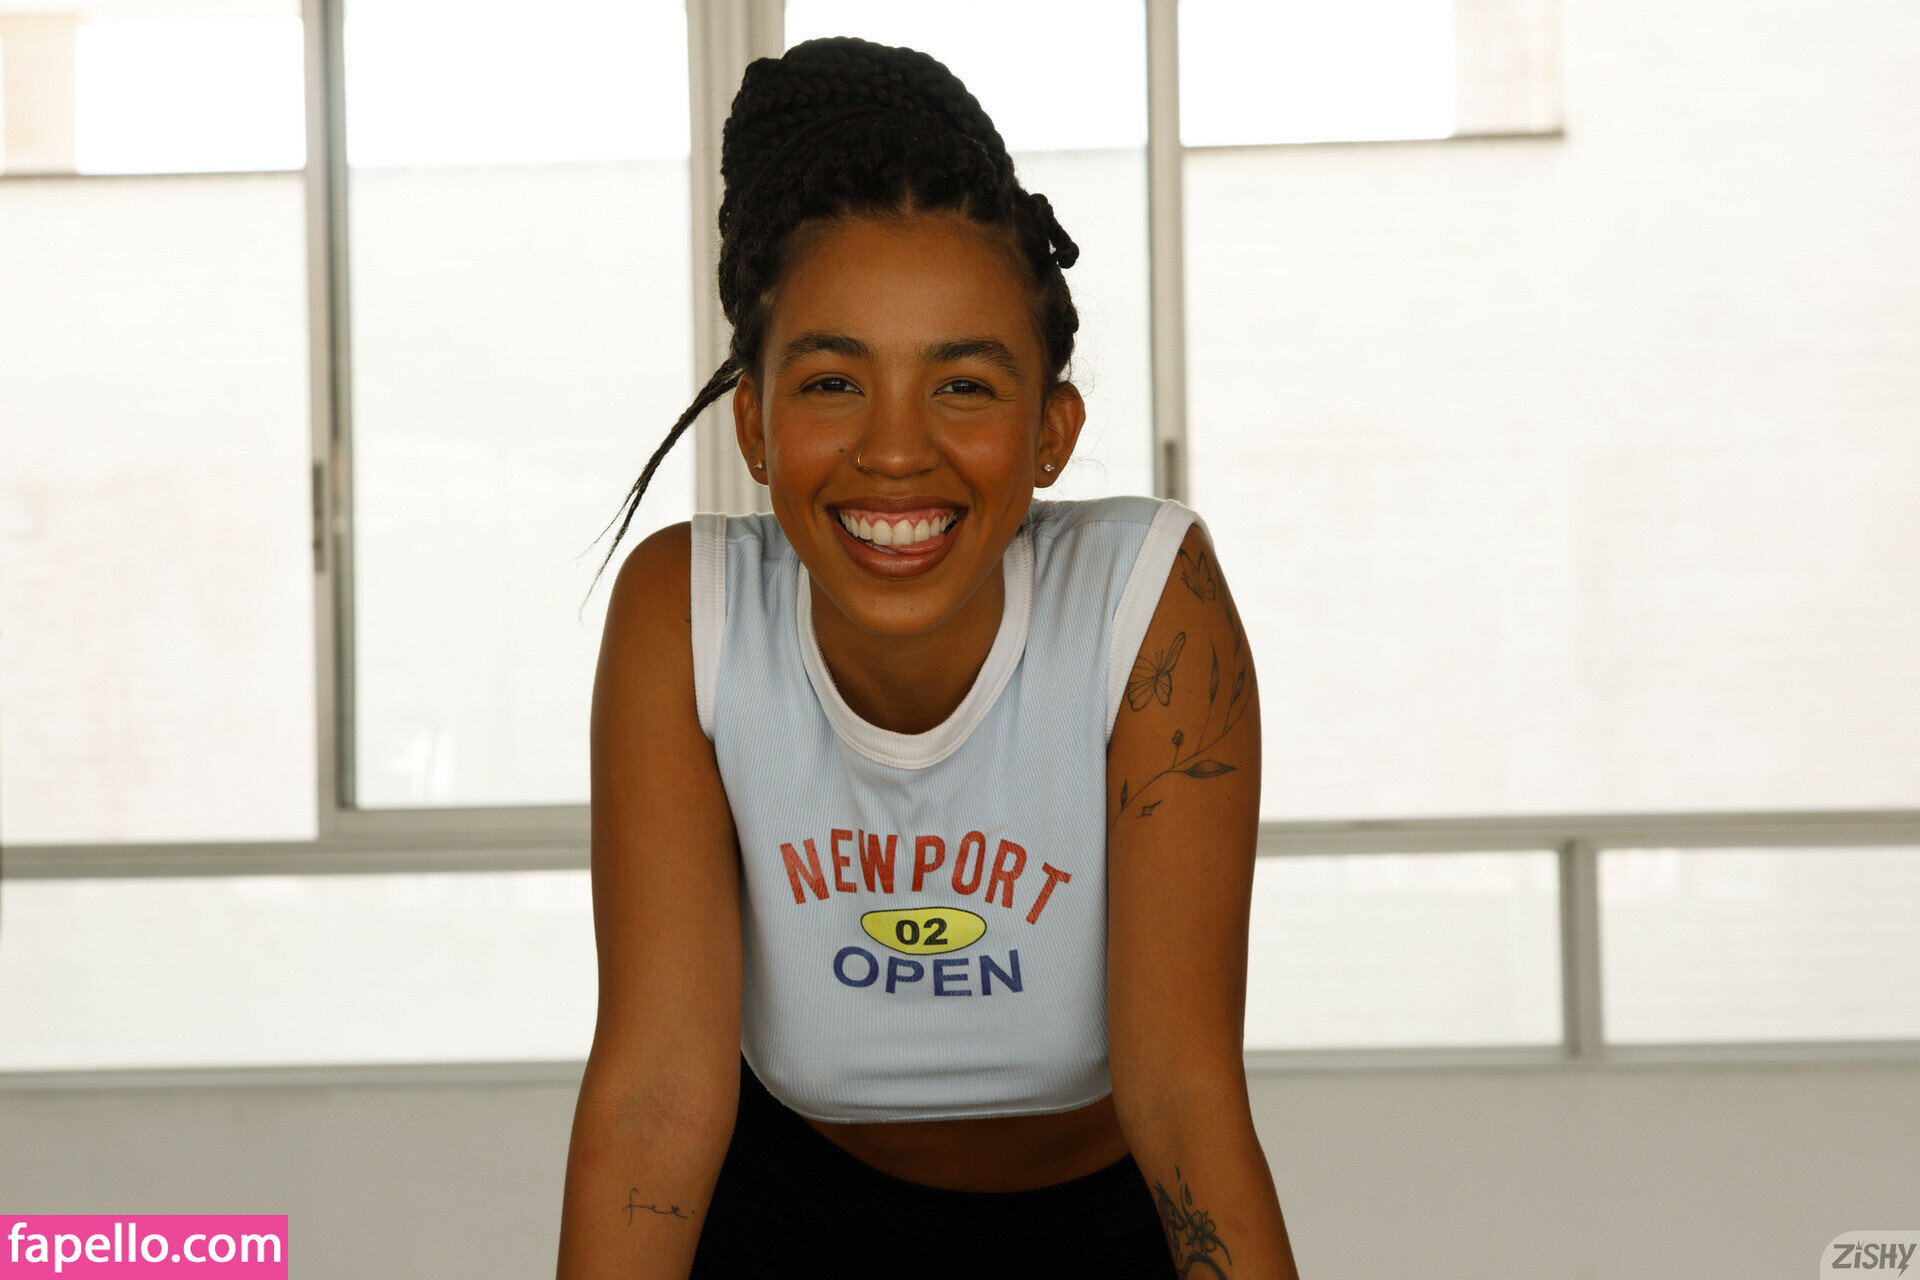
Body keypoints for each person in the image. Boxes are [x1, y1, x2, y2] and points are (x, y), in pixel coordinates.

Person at [555, 35, 1300, 1280]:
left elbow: (1183, 1094)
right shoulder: (682, 610)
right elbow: (655, 1103)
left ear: (1053, 428)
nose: (895, 451)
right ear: (754, 421)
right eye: (832, 382)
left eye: (962, 385)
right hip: (791, 1212)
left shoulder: (1146, 601)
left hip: (1096, 1221)